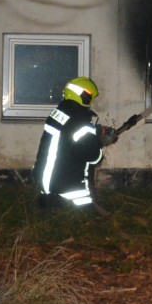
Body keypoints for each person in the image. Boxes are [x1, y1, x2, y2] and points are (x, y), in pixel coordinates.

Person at [33, 77, 116, 210]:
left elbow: (69, 134)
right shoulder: (81, 121)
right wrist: (100, 141)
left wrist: (97, 130)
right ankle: (82, 212)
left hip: (43, 181)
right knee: (88, 214)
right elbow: (94, 156)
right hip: (63, 187)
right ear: (84, 96)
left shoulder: (59, 113)